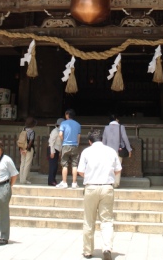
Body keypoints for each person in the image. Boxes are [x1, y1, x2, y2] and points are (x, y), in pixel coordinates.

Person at [77, 129, 122, 260]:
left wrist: (90, 176)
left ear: (90, 141)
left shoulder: (86, 151)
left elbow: (80, 171)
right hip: (107, 187)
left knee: (88, 220)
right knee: (107, 220)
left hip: (91, 187)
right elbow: (118, 170)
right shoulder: (111, 151)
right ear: (102, 139)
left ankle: (87, 251)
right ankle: (107, 247)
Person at [0, 139, 19, 246]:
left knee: (3, 213)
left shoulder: (7, 160)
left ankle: (4, 236)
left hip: (3, 186)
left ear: (0, 149)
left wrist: (9, 186)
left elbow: (14, 174)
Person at [102, 114, 132, 188]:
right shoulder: (121, 127)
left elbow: (104, 140)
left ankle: (108, 182)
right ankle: (116, 183)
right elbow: (125, 138)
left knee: (108, 166)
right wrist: (129, 149)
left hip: (108, 150)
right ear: (116, 119)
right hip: (118, 150)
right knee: (117, 167)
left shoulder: (106, 128)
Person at [56, 108, 81, 189]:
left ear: (67, 115)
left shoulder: (63, 123)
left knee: (65, 164)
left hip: (66, 145)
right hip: (75, 145)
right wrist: (77, 144)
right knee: (74, 164)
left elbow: (60, 134)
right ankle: (74, 183)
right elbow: (78, 136)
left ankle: (64, 182)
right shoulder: (78, 124)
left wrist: (64, 140)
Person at [19, 116, 37, 185]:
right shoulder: (32, 132)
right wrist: (27, 149)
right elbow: (31, 141)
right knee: (27, 164)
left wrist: (21, 149)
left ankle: (21, 179)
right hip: (28, 149)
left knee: (22, 163)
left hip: (22, 148)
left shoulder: (23, 129)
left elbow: (21, 140)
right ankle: (24, 180)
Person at [47, 118, 65, 186]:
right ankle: (51, 181)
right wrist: (52, 152)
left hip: (57, 150)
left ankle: (53, 180)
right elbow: (51, 142)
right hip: (53, 149)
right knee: (53, 166)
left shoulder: (60, 131)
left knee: (55, 166)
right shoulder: (55, 131)